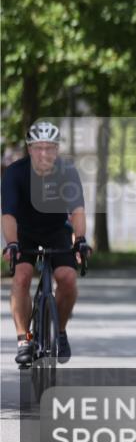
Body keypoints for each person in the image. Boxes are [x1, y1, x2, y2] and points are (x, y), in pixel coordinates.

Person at [2, 121, 90, 366]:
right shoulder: (15, 173)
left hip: (56, 231)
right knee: (21, 276)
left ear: (57, 150)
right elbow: (8, 214)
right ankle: (23, 339)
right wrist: (11, 243)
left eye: (49, 148)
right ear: (29, 149)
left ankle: (60, 332)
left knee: (68, 279)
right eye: (38, 148)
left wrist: (80, 239)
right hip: (24, 232)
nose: (44, 153)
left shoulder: (67, 172)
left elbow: (77, 210)